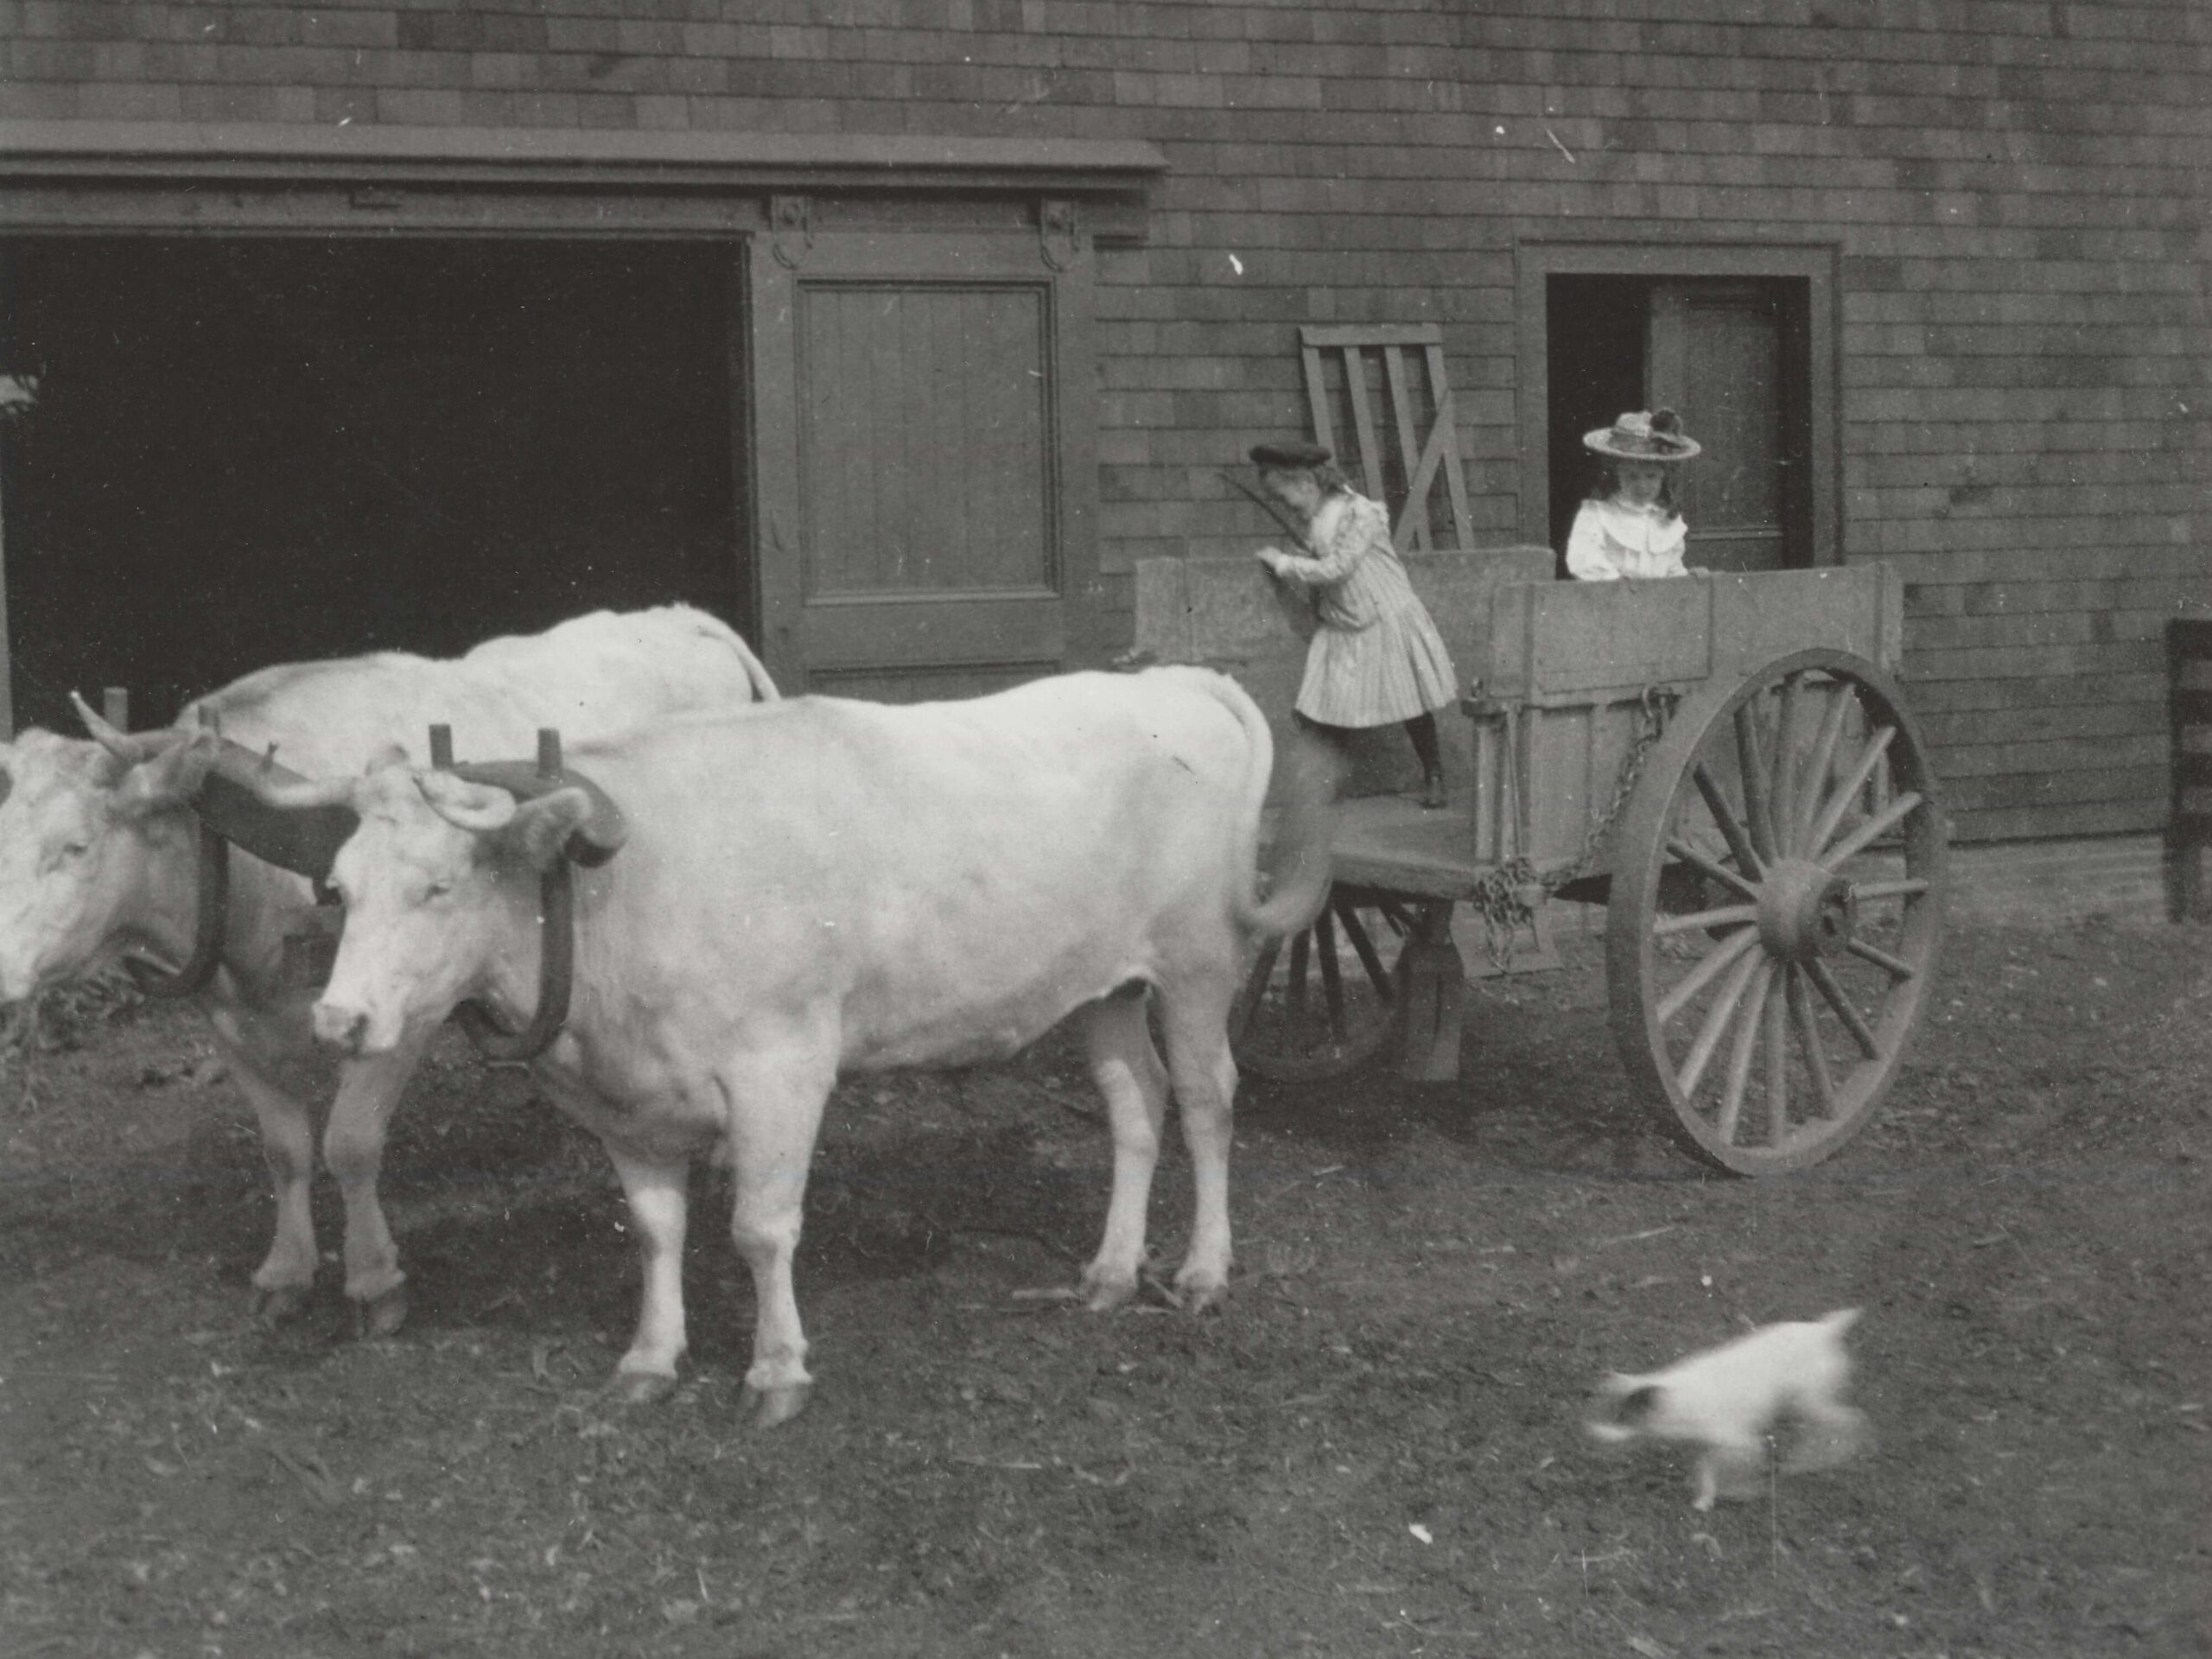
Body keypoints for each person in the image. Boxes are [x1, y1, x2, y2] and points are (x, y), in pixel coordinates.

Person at [1248, 440, 1459, 810]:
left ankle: (1435, 774)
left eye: (1286, 498)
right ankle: (1327, 783)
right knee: (1327, 704)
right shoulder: (1315, 521)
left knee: (1411, 702)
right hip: (1344, 622)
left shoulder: (1362, 514)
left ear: (1307, 485)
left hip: (1386, 617)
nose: (1286, 507)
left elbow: (1338, 567)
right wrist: (1289, 570)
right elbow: (1321, 574)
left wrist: (1284, 563)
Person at [1566, 409, 1704, 582]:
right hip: (1612, 600)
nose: (1642, 485)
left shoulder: (1666, 517)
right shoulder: (1596, 514)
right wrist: (1617, 583)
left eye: (1651, 476)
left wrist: (1687, 579)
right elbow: (1585, 561)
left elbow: (1671, 570)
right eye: (1632, 476)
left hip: (1659, 602)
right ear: (1617, 476)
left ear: (1663, 477)